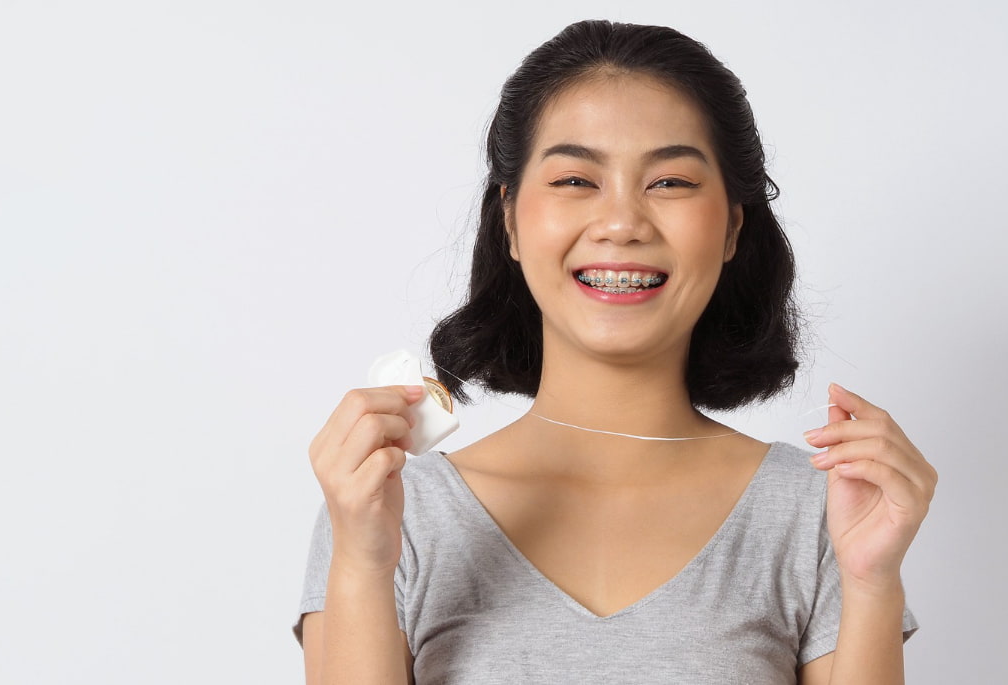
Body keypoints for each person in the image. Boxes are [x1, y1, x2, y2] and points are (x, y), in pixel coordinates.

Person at [293, 19, 937, 685]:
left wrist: (872, 583)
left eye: (670, 182)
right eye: (576, 180)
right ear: (510, 218)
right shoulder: (393, 510)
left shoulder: (819, 512)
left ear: (731, 227)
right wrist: (364, 561)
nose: (623, 222)